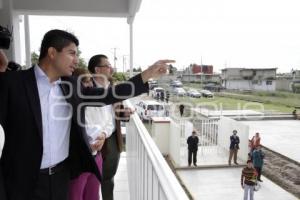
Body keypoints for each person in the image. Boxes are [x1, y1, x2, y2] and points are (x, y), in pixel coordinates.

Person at [0, 29, 174, 200]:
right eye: (71, 53)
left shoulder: (72, 86)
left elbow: (108, 94)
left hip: (62, 177)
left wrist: (146, 75)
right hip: (23, 181)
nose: (76, 61)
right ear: (52, 52)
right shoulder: (12, 84)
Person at [87, 54, 134, 200]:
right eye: (108, 66)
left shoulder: (113, 87)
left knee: (108, 176)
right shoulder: (86, 88)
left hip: (112, 136)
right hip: (93, 137)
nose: (111, 69)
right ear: (97, 69)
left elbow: (118, 112)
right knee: (91, 176)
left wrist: (125, 112)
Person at [68, 67, 104, 200]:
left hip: (96, 157)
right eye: (85, 81)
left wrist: (103, 137)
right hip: (79, 159)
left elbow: (103, 124)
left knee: (93, 195)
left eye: (90, 81)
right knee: (76, 195)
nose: (89, 84)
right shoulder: (67, 105)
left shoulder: (95, 101)